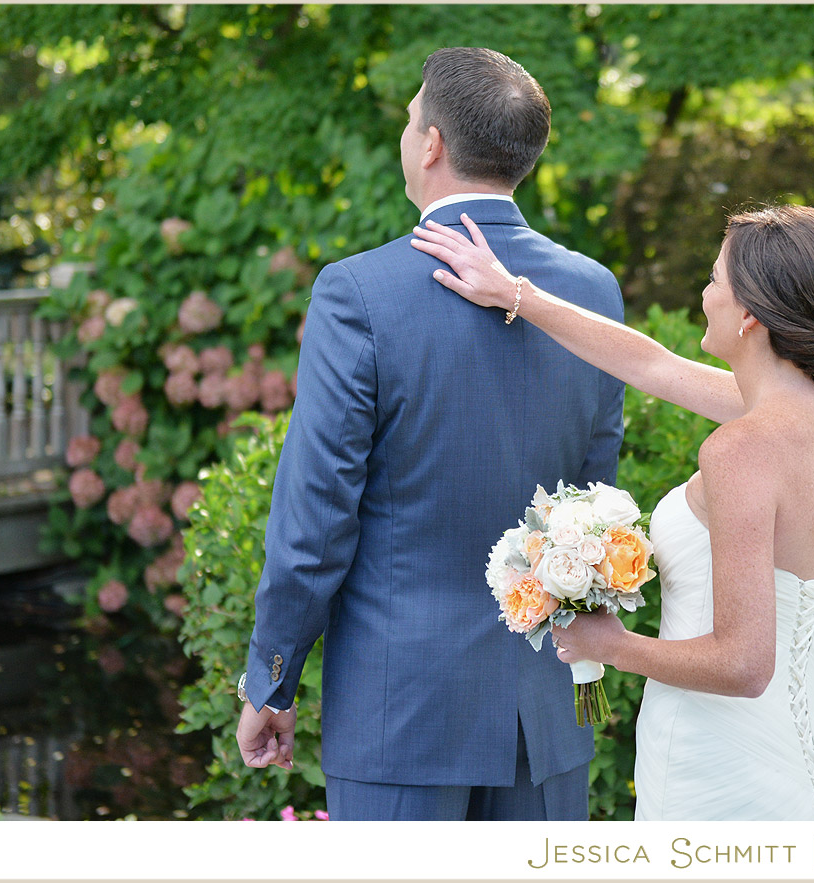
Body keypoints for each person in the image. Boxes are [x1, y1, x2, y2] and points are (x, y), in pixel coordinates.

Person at [234, 47, 627, 821]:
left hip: (402, 715)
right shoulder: (592, 290)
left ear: (432, 145)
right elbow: (597, 498)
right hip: (545, 719)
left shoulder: (358, 293)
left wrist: (271, 678)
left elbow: (316, 520)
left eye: (411, 118)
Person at [409, 203, 814, 820]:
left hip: (716, 765)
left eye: (714, 279)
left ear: (750, 316)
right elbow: (655, 366)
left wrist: (611, 643)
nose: (704, 294)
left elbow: (743, 665)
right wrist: (515, 293)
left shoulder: (742, 449)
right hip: (805, 762)